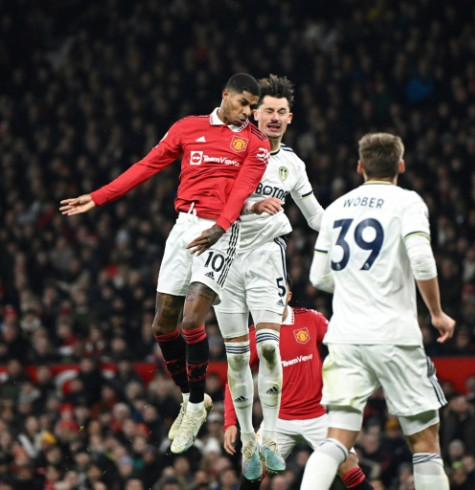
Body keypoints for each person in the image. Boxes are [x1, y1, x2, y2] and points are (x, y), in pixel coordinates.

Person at [59, 73, 270, 454]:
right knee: (162, 325)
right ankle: (193, 402)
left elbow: (241, 190)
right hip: (184, 226)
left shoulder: (255, 143)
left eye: (254, 107)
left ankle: (193, 403)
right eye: (244, 103)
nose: (249, 112)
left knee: (192, 319)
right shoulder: (188, 128)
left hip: (221, 229)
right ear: (226, 95)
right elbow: (146, 166)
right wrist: (99, 197)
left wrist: (221, 228)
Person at [301, 132, 456, 490]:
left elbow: (318, 276)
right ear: (401, 166)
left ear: (360, 167)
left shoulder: (337, 207)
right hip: (394, 335)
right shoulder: (407, 202)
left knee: (337, 438)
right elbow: (420, 258)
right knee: (425, 442)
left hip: (346, 338)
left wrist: (358, 284)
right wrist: (436, 312)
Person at [213, 74, 324, 478]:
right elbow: (210, 203)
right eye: (267, 111)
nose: (274, 118)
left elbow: (315, 217)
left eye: (281, 112)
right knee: (237, 357)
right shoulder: (230, 150)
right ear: (254, 113)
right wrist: (250, 206)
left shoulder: (292, 164)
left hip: (265, 258)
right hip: (224, 256)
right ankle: (247, 440)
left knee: (270, 349)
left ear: (290, 118)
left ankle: (271, 436)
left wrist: (344, 235)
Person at [222, 280, 373, 489]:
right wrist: (230, 421)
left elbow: (341, 344)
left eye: (278, 292)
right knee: (252, 469)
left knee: (349, 467)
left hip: (318, 416)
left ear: (289, 296)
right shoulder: (256, 334)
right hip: (279, 420)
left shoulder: (310, 319)